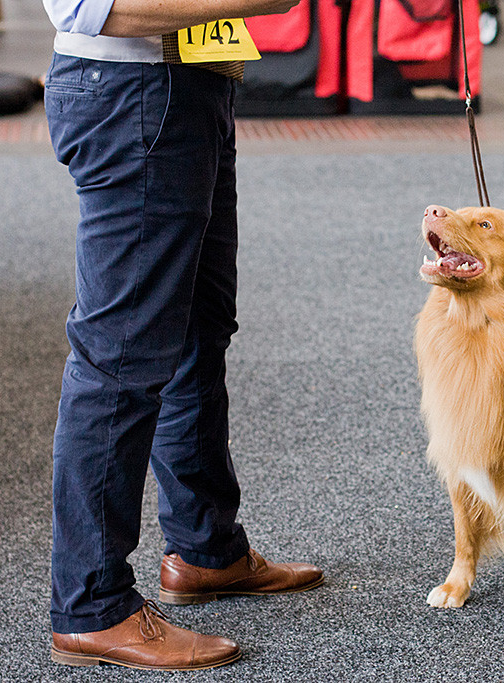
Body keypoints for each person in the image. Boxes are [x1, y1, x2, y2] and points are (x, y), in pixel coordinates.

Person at [41, 0, 321, 671]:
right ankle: (92, 606)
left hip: (192, 84)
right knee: (120, 359)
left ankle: (206, 549)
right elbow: (91, 8)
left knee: (199, 328)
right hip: (132, 93)